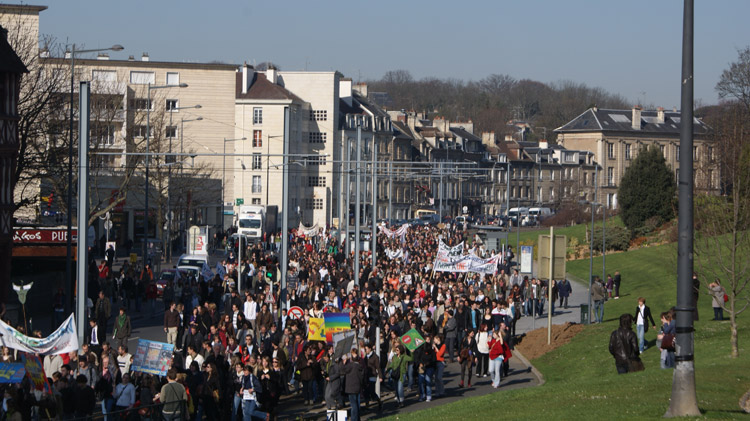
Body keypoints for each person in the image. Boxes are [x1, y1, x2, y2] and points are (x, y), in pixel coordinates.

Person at [341, 350, 364, 421]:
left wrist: (343, 363)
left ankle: (354, 419)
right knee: (357, 404)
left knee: (353, 404)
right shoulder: (360, 366)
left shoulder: (350, 366)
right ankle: (357, 418)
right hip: (358, 387)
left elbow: (342, 370)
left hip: (351, 388)